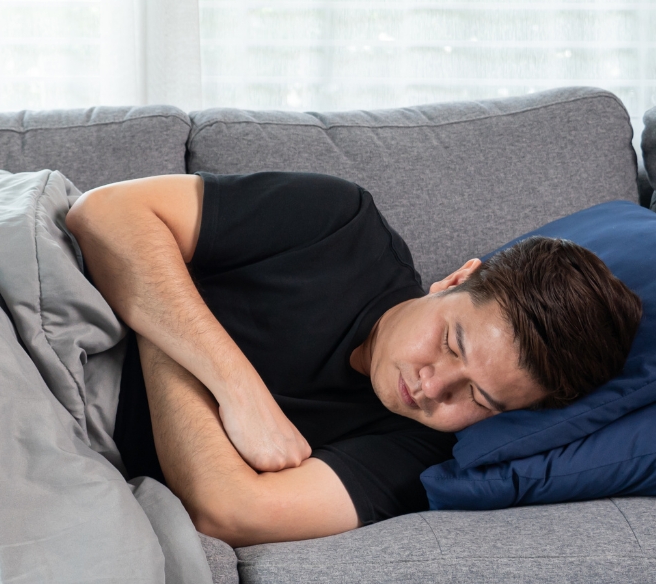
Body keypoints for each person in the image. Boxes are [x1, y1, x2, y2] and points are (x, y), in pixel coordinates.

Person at [66, 172, 642, 547]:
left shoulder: (419, 453)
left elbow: (230, 512)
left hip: (69, 424)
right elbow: (104, 214)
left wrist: (158, 314)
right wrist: (237, 390)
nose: (433, 386)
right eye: (451, 343)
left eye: (478, 398)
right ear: (457, 280)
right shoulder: (339, 224)